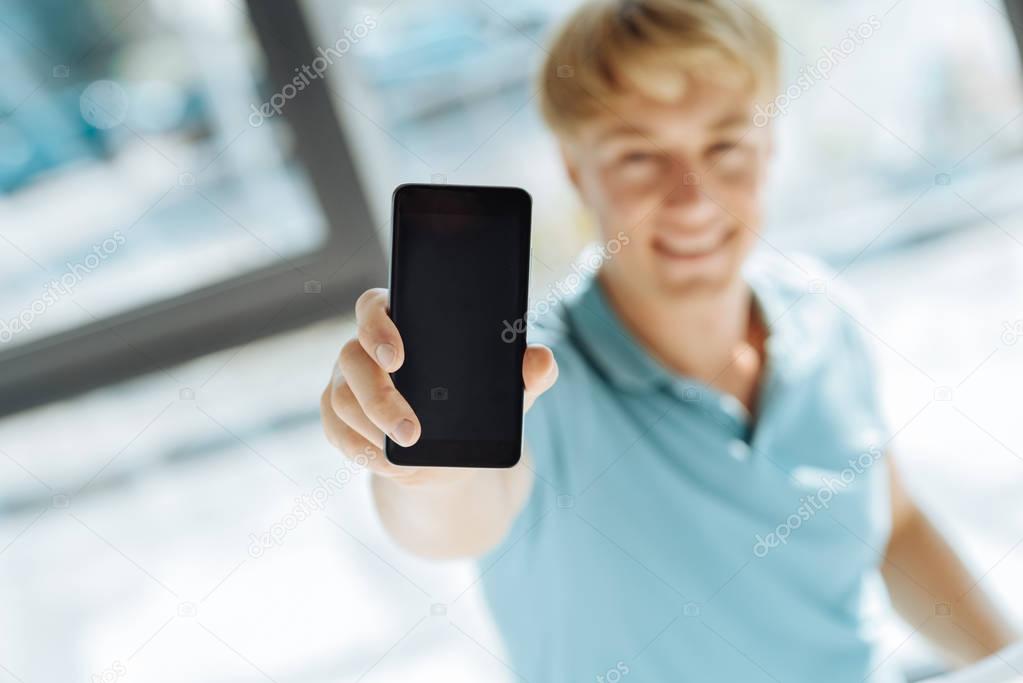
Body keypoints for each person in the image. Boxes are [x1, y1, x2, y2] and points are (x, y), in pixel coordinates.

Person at [320, 1, 1016, 679]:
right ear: (573, 168)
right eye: (637, 156)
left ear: (769, 145)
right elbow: (449, 520)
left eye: (723, 145)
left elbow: (891, 524)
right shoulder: (532, 373)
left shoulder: (822, 315)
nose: (691, 197)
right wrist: (423, 465)